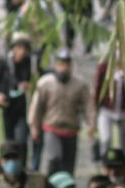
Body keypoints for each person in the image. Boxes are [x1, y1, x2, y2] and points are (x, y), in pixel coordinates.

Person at [29, 48, 96, 176]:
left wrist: (91, 125)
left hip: (71, 129)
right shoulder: (45, 83)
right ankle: (50, 184)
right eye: (61, 64)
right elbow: (36, 107)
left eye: (67, 64)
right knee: (54, 158)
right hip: (51, 128)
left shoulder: (80, 85)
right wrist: (34, 127)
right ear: (55, 65)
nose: (64, 68)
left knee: (68, 165)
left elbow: (88, 106)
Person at [0, 33, 35, 158]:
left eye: (24, 49)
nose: (21, 52)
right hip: (7, 107)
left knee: (22, 142)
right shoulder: (3, 62)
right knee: (9, 143)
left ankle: (22, 170)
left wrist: (30, 86)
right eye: (18, 48)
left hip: (24, 108)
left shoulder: (31, 64)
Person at [93, 54, 125, 156]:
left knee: (123, 143)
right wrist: (94, 112)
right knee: (106, 139)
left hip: (123, 112)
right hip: (106, 111)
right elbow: (97, 89)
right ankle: (105, 161)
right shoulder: (104, 69)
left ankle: (122, 165)